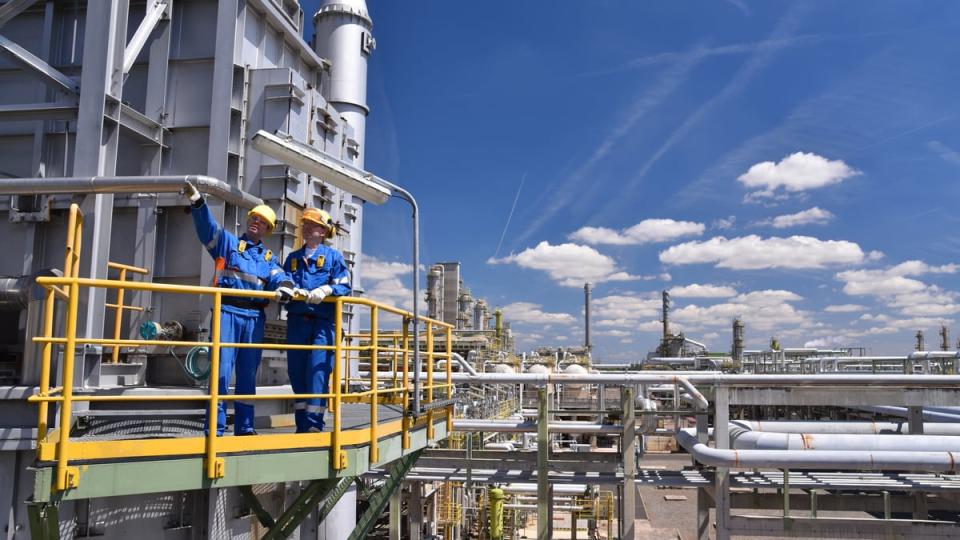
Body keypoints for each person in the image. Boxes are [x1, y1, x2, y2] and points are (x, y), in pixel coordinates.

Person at [183, 182, 294, 436]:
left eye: (262, 221)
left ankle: (245, 426)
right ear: (248, 221)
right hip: (227, 313)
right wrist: (199, 202)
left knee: (247, 375)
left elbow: (280, 276)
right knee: (221, 373)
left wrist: (286, 286)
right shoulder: (229, 245)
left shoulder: (268, 259)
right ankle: (216, 427)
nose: (256, 223)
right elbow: (207, 230)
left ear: (267, 229)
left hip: (254, 319)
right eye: (254, 218)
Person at [283, 208, 352, 433]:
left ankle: (313, 426)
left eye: (312, 225)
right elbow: (285, 282)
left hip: (323, 324)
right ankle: (301, 424)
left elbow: (345, 286)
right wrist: (283, 290)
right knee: (296, 371)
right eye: (305, 224)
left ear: (322, 232)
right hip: (296, 323)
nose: (306, 227)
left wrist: (326, 289)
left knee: (317, 372)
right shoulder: (292, 259)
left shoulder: (333, 257)